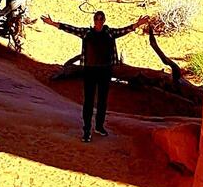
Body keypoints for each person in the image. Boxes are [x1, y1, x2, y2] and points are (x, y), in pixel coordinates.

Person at [42, 10, 147, 142]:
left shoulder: (110, 33)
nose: (98, 21)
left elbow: (124, 30)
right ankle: (87, 130)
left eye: (101, 19)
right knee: (89, 101)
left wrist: (137, 24)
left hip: (105, 71)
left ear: (104, 20)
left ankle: (99, 126)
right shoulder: (87, 33)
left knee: (102, 101)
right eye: (96, 19)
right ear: (94, 21)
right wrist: (53, 24)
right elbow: (70, 29)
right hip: (90, 71)